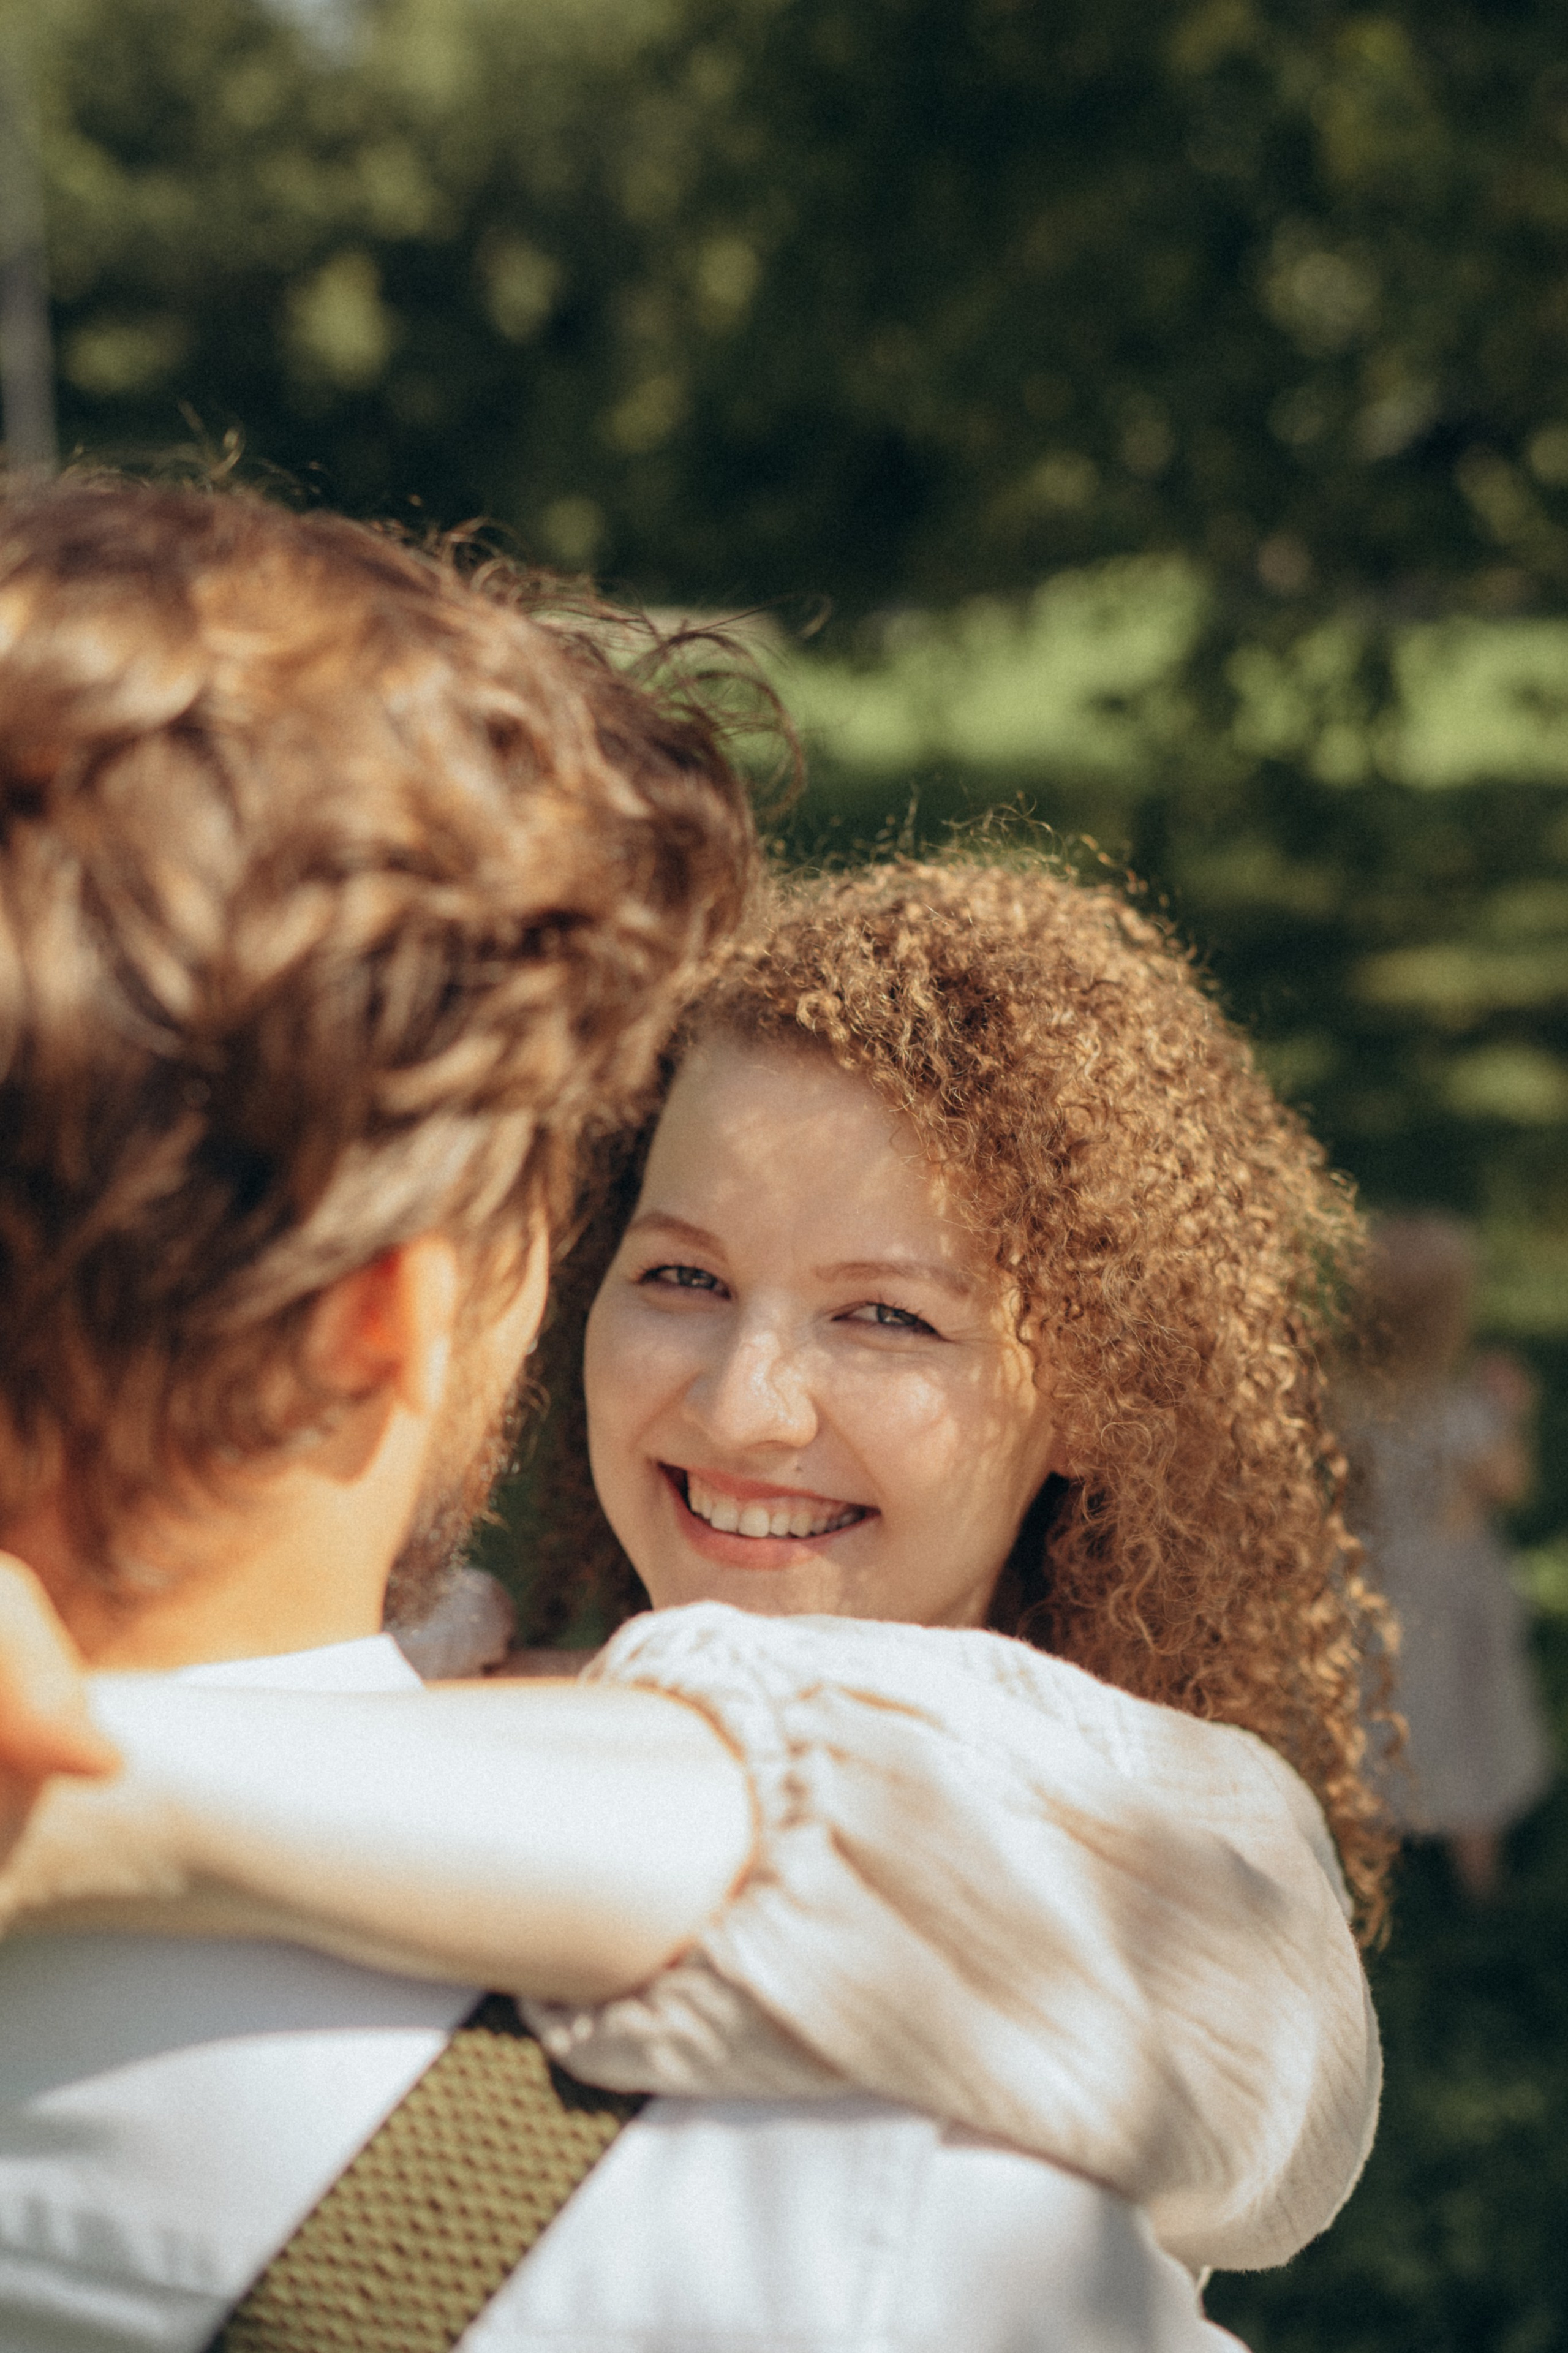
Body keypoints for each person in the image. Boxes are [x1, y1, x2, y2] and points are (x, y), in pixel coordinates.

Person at [0, 476, 1242, 2353]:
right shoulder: (863, 2239)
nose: (748, 1400)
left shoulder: (497, 1687)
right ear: (383, 1320)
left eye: (887, 1316)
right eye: (625, 1244)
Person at [1342, 1213, 1553, 1899]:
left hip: (1368, 1580)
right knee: (1465, 1710)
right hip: (1451, 1588)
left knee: (1373, 1708)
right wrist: (1511, 1412)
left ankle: (1358, 1848)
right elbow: (1510, 1484)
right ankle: (1476, 1863)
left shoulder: (1344, 1402)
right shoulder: (1464, 1412)